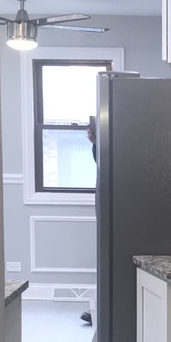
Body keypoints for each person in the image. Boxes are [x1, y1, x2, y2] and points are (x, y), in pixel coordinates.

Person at [81, 115, 97, 325]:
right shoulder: (99, 147)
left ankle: (100, 310)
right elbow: (102, 162)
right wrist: (96, 144)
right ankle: (100, 309)